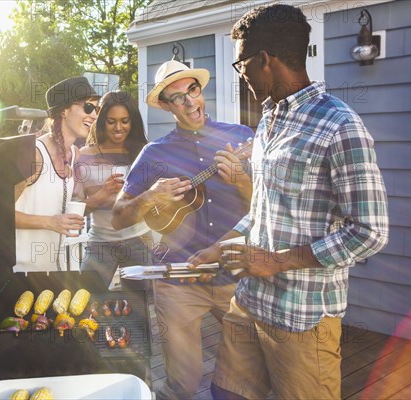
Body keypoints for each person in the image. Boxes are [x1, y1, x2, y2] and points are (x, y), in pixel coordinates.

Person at [189, 4, 389, 399]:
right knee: (225, 395)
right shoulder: (268, 121)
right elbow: (264, 209)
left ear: (265, 60)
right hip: (248, 303)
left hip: (302, 318)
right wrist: (221, 243)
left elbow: (369, 232)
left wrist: (276, 261)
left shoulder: (340, 126)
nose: (241, 74)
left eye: (241, 64)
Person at [111, 60, 254, 399]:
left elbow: (263, 205)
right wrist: (150, 196)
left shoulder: (241, 137)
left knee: (244, 377)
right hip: (177, 281)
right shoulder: (153, 154)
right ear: (165, 105)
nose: (190, 102)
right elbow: (118, 216)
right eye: (178, 97)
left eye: (193, 90)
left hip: (233, 274)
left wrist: (242, 180)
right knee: (182, 385)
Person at [14, 77, 100, 272]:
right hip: (22, 273)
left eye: (97, 109)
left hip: (53, 273)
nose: (94, 115)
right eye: (88, 107)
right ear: (64, 110)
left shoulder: (74, 154)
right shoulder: (34, 154)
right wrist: (50, 222)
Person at [73, 91, 151, 290]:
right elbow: (76, 210)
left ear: (133, 121)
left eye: (125, 121)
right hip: (100, 241)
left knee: (140, 307)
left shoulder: (144, 153)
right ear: (100, 121)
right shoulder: (83, 157)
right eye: (111, 121)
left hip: (139, 241)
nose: (118, 128)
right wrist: (102, 195)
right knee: (86, 297)